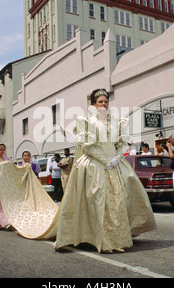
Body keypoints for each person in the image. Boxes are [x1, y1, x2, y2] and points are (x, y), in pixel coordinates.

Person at [55, 88, 157, 253]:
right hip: (94, 164)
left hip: (114, 164)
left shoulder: (117, 122)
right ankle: (101, 240)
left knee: (118, 203)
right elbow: (87, 146)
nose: (103, 104)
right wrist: (104, 160)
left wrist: (116, 158)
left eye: (105, 101)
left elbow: (122, 144)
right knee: (98, 201)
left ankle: (117, 239)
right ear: (94, 104)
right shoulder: (86, 122)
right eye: (100, 101)